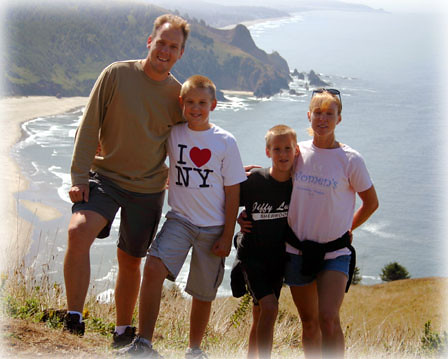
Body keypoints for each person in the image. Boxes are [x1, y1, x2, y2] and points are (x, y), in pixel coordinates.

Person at [63, 14, 190, 347]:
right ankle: (74, 319)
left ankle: (122, 332)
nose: (165, 50)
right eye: (161, 42)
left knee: (131, 260)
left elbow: (191, 143)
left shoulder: (178, 97)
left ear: (180, 54)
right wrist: (78, 177)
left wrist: (233, 173)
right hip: (103, 177)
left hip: (147, 189)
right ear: (150, 42)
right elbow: (89, 125)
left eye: (173, 47)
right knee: (78, 231)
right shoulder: (116, 74)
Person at [123, 75, 246, 358]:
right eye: (190, 102)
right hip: (180, 219)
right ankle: (143, 343)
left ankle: (194, 349)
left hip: (214, 228)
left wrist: (228, 235)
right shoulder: (174, 133)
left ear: (213, 105)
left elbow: (233, 191)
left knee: (203, 293)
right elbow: (147, 148)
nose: (196, 108)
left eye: (202, 103)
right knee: (153, 267)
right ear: (181, 103)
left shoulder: (225, 141)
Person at [284, 88, 379, 359]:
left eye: (330, 114)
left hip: (335, 253)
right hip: (296, 250)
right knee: (309, 323)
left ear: (339, 119)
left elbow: (371, 203)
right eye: (318, 113)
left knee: (328, 318)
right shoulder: (297, 152)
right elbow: (275, 181)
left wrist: (349, 229)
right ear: (308, 115)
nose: (323, 119)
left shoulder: (351, 160)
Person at [231, 125, 299, 359]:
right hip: (252, 255)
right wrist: (236, 219)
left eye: (287, 148)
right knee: (269, 307)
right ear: (268, 151)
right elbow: (225, 199)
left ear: (296, 151)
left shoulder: (298, 186)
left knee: (260, 312)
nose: (282, 154)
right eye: (276, 149)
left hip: (278, 260)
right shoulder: (254, 181)